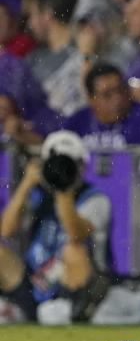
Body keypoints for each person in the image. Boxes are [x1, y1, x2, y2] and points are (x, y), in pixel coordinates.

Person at [0, 131, 111, 323]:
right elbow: (6, 231)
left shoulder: (96, 199)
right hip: (35, 278)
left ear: (82, 167)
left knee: (73, 250)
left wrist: (63, 188)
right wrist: (26, 184)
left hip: (72, 284)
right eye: (54, 163)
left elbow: (75, 234)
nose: (60, 168)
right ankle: (21, 310)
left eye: (68, 164)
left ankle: (70, 313)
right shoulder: (37, 195)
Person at [64, 62, 140, 148]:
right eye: (107, 95)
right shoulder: (78, 121)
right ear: (91, 98)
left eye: (121, 90)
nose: (117, 99)